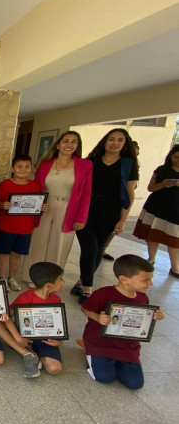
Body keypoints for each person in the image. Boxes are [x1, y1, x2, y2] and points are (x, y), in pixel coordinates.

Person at [72, 129, 138, 303]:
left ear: (125, 144)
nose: (115, 143)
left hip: (110, 212)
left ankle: (81, 281)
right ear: (105, 141)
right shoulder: (90, 162)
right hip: (87, 209)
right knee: (90, 248)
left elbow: (129, 194)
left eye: (120, 140)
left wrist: (123, 220)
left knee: (98, 249)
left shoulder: (128, 164)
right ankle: (87, 289)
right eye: (111, 139)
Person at [81, 255, 164, 389]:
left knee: (135, 383)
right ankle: (94, 358)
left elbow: (142, 319)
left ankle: (113, 362)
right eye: (146, 280)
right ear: (124, 279)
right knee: (104, 377)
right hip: (101, 343)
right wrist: (98, 318)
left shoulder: (142, 298)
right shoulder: (103, 294)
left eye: (151, 279)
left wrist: (155, 316)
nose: (150, 283)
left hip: (127, 347)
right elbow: (85, 308)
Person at [21, 131, 93, 287]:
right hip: (45, 206)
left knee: (59, 244)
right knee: (38, 243)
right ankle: (33, 276)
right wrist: (34, 205)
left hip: (68, 207)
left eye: (74, 142)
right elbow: (37, 187)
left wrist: (81, 218)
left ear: (77, 146)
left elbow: (86, 193)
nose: (69, 144)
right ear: (58, 144)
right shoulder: (45, 163)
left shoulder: (84, 165)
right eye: (66, 141)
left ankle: (52, 279)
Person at [0, 262, 65, 378]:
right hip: (23, 336)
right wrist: (18, 337)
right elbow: (7, 316)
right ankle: (27, 354)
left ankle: (36, 354)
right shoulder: (25, 297)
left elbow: (57, 325)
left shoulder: (56, 300)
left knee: (55, 369)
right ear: (48, 285)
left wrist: (59, 341)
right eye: (60, 279)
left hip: (44, 338)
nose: (63, 282)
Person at [0, 154, 47, 291]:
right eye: (19, 167)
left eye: (27, 167)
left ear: (31, 168)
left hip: (25, 228)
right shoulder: (5, 185)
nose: (23, 169)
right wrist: (2, 205)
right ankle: (2, 278)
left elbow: (38, 203)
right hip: (6, 226)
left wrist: (42, 207)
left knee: (17, 254)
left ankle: (12, 278)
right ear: (12, 168)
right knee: (3, 254)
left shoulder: (35, 186)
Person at [133, 145, 179, 277]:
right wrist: (163, 184)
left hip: (175, 210)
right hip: (157, 206)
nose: (178, 160)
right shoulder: (162, 170)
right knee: (153, 234)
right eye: (176, 157)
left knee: (174, 238)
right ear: (170, 156)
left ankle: (175, 267)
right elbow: (150, 188)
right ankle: (151, 258)